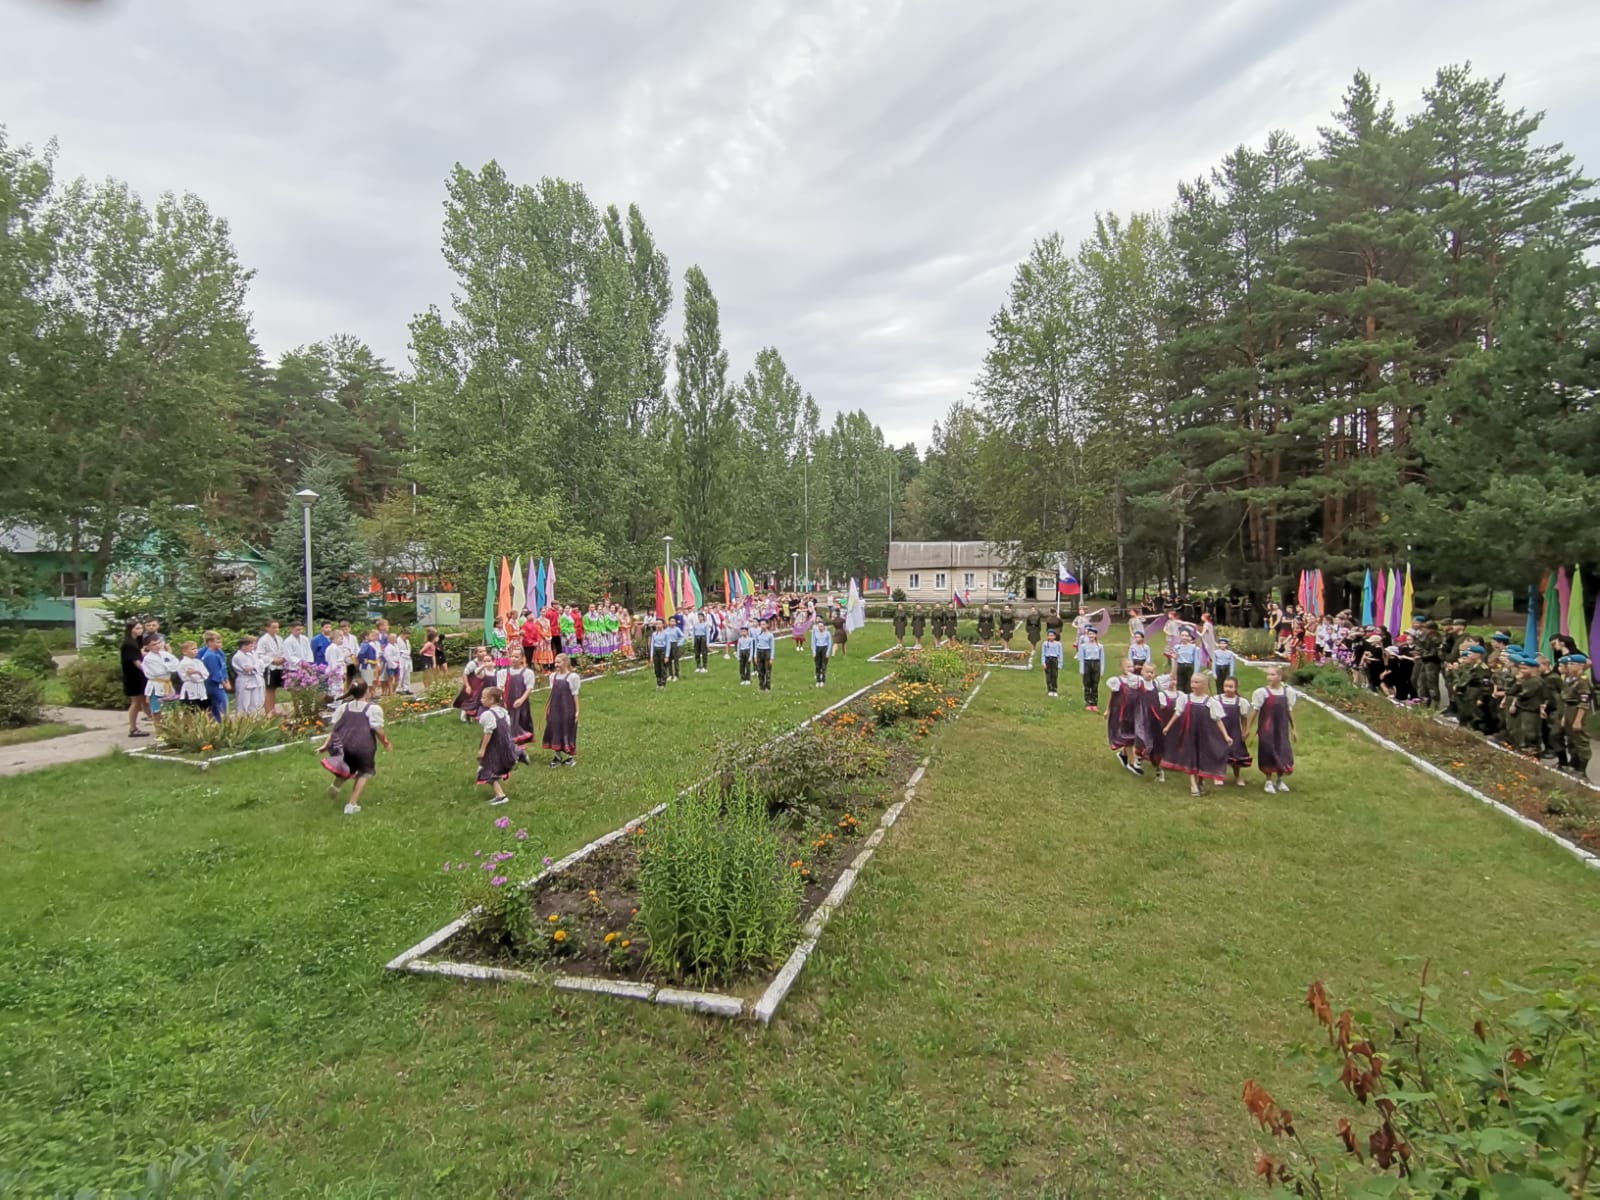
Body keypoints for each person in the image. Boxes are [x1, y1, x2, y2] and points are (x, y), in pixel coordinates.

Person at [319, 680, 392, 815]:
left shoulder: (344, 707)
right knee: (364, 773)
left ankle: (336, 786)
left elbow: (335, 729)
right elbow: (378, 730)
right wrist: (386, 742)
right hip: (363, 747)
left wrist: (325, 744)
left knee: (347, 767)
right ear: (368, 692)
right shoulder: (373, 709)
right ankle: (351, 805)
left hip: (345, 745)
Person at [1161, 674, 1233, 797]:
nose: (1193, 685)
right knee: (1191, 757)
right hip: (1190, 733)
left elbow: (1218, 720)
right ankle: (1193, 784)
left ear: (1204, 685)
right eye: (1192, 682)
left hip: (1204, 734)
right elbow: (1178, 713)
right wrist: (1168, 726)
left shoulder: (1210, 702)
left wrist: (1226, 736)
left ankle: (1200, 781)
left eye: (1197, 682)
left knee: (1202, 757)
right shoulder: (1185, 698)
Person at [1248, 665, 1298, 794]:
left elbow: (1289, 711)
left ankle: (1280, 779)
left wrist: (1294, 728)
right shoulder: (1262, 693)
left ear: (1280, 677)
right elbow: (1255, 711)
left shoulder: (1288, 693)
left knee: (1282, 751)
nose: (1269, 677)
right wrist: (1248, 728)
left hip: (1281, 729)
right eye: (1268, 674)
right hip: (1267, 728)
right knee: (1268, 751)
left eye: (1272, 674)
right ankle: (1268, 780)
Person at [475, 685, 522, 804]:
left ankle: (501, 796)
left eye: (483, 697)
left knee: (486, 770)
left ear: (491, 700)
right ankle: (500, 794)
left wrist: (482, 749)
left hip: (494, 747)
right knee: (492, 768)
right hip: (504, 745)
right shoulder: (503, 712)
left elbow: (488, 732)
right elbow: (507, 728)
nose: (481, 699)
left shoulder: (488, 714)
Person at [543, 653, 581, 766]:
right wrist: (548, 708)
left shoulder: (572, 677)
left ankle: (570, 757)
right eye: (555, 662)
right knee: (555, 728)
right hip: (555, 708)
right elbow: (552, 694)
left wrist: (577, 711)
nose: (556, 664)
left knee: (567, 729)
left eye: (558, 662)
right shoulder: (553, 676)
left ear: (566, 663)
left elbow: (575, 695)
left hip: (567, 708)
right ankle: (557, 756)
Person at [1558, 654, 1593, 777]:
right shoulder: (1570, 679)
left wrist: (1578, 720)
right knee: (1571, 739)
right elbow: (1566, 699)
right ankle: (1574, 764)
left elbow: (1584, 702)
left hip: (1578, 710)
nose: (1569, 666)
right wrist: (1564, 717)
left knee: (1581, 740)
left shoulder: (1582, 680)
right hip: (1569, 709)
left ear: (1581, 665)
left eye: (1572, 664)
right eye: (1569, 664)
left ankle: (1582, 770)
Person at [1105, 659, 1142, 772]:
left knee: (1133, 735)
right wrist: (1108, 709)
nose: (1130, 669)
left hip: (1132, 712)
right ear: (1122, 668)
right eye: (1127, 666)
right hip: (1120, 712)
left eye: (1131, 666)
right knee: (1127, 736)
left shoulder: (1136, 681)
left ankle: (1123, 754)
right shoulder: (1117, 681)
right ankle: (1132, 762)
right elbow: (1112, 696)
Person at [1218, 675, 1252, 787]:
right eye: (1226, 686)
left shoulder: (1241, 702)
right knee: (1220, 753)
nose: (1228, 689)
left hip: (1235, 732)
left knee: (1236, 755)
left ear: (1236, 688)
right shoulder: (1217, 700)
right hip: (1221, 732)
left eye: (1230, 687)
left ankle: (1237, 776)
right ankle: (1219, 775)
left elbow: (1244, 718)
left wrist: (1245, 731)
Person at [500, 649, 538, 745]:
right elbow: (500, 688)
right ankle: (511, 745)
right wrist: (502, 701)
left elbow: (529, 688)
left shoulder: (527, 673)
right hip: (508, 703)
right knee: (509, 724)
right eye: (512, 656)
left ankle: (520, 745)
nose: (513, 659)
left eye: (516, 657)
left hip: (521, 704)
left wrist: (521, 699)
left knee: (521, 723)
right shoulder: (503, 673)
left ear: (522, 659)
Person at [120, 621, 150, 738]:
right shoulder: (128, 644)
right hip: (133, 677)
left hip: (140, 676)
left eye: (141, 628)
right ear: (131, 629)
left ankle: (159, 723)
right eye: (137, 628)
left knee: (145, 701)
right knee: (136, 702)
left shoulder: (138, 641)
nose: (140, 630)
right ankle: (133, 728)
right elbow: (137, 662)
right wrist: (149, 672)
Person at [198, 630, 230, 721]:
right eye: (217, 642)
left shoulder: (219, 652)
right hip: (213, 684)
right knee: (221, 705)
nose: (220, 644)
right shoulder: (210, 656)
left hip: (219, 683)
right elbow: (215, 672)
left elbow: (223, 668)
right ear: (210, 643)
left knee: (219, 705)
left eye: (220, 642)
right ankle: (220, 722)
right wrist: (224, 683)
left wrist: (226, 679)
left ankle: (219, 722)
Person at [257, 620, 285, 715]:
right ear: (267, 628)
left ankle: (273, 709)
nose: (276, 629)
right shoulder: (263, 640)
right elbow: (259, 654)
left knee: (274, 689)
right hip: (269, 667)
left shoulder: (279, 639)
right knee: (269, 689)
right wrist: (272, 660)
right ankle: (269, 711)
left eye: (277, 627)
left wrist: (282, 658)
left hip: (279, 666)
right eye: (274, 627)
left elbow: (283, 651)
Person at [232, 635, 265, 714]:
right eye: (251, 646)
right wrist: (256, 666)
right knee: (244, 704)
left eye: (254, 645)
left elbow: (261, 666)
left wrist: (255, 667)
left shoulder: (253, 654)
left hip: (255, 681)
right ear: (243, 646)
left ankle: (254, 718)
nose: (254, 647)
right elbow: (248, 669)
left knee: (255, 703)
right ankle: (242, 719)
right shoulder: (238, 656)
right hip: (244, 681)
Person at [175, 641, 210, 712]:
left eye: (196, 648)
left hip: (201, 690)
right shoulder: (184, 663)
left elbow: (206, 674)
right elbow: (195, 678)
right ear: (185, 652)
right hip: (190, 690)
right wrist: (200, 674)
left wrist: (198, 672)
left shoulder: (198, 662)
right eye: (193, 649)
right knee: (191, 712)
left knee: (204, 711)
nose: (195, 650)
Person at [1078, 626, 1106, 712]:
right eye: (1089, 634)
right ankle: (1088, 702)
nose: (1091, 636)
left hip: (1096, 664)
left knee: (1095, 684)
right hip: (1087, 664)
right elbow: (1081, 658)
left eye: (1093, 634)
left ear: (1096, 635)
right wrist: (1082, 669)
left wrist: (1101, 670)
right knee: (1087, 684)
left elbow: (1102, 659)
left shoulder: (1100, 646)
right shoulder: (1083, 646)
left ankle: (1094, 703)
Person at [323, 631, 353, 700]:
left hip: (339, 670)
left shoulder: (336, 648)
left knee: (339, 688)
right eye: (340, 639)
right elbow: (332, 661)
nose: (342, 640)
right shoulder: (332, 648)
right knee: (335, 688)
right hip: (335, 672)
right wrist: (336, 672)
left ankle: (338, 701)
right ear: (335, 639)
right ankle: (334, 702)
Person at [1173, 628, 1199, 695]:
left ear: (1189, 637)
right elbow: (1174, 659)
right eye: (1182, 635)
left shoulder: (1194, 647)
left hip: (1189, 666)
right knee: (1180, 684)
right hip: (1180, 666)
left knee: (1189, 684)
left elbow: (1197, 661)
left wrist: (1196, 672)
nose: (1184, 637)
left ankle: (1188, 696)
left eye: (1186, 636)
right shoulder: (1177, 647)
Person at [1041, 628, 1064, 697]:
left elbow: (1060, 654)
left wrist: (1060, 664)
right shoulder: (1045, 643)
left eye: (1052, 635)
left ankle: (1054, 689)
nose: (1050, 637)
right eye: (1049, 635)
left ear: (1055, 636)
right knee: (1048, 676)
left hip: (1054, 660)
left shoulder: (1058, 644)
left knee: (1054, 675)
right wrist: (1043, 663)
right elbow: (1043, 654)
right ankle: (1050, 690)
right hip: (1048, 660)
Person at [811, 618, 833, 687]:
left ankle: (823, 680)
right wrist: (814, 651)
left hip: (824, 648)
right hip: (818, 648)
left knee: (823, 665)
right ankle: (818, 680)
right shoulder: (816, 633)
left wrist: (828, 652)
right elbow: (813, 642)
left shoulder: (827, 633)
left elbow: (830, 643)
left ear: (824, 627)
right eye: (819, 626)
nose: (820, 628)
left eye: (821, 626)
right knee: (817, 665)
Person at [755, 619, 776, 692]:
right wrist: (755, 656)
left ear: (767, 625)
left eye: (764, 624)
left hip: (767, 652)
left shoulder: (770, 635)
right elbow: (756, 645)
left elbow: (772, 647)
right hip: (759, 651)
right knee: (760, 670)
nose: (762, 626)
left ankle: (768, 686)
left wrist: (771, 658)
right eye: (761, 624)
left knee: (767, 670)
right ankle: (761, 685)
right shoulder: (758, 634)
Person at [649, 621, 671, 690]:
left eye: (659, 624)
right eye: (657, 624)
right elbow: (652, 645)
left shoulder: (666, 634)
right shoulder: (654, 634)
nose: (658, 626)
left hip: (662, 651)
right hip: (656, 651)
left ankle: (663, 684)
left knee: (663, 668)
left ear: (662, 625)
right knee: (657, 668)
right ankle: (659, 683)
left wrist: (667, 656)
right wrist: (651, 656)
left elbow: (668, 645)